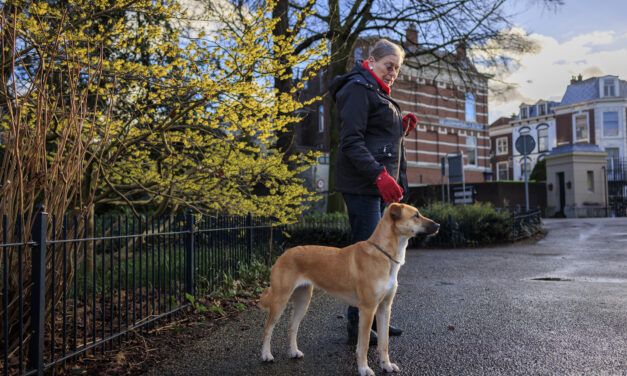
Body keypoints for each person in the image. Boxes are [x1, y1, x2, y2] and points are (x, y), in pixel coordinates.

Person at [329, 39, 418, 345]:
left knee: (378, 258)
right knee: (371, 258)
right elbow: (351, 141)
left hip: (377, 186)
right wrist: (380, 175)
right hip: (363, 186)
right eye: (388, 66)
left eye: (397, 68)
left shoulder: (376, 90)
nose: (393, 72)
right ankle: (359, 327)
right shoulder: (358, 89)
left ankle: (372, 322)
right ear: (371, 61)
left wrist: (398, 128)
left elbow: (375, 137)